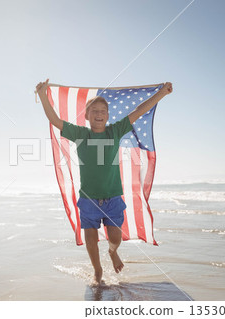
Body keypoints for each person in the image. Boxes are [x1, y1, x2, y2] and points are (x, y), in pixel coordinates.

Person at [36, 79, 173, 286]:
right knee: (90, 238)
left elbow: (139, 110)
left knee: (115, 237)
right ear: (87, 116)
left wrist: (162, 93)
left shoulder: (114, 131)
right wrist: (42, 94)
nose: (99, 114)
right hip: (88, 199)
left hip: (112, 199)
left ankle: (112, 251)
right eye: (94, 111)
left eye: (103, 111)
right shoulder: (80, 134)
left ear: (107, 116)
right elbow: (55, 120)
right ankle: (97, 270)